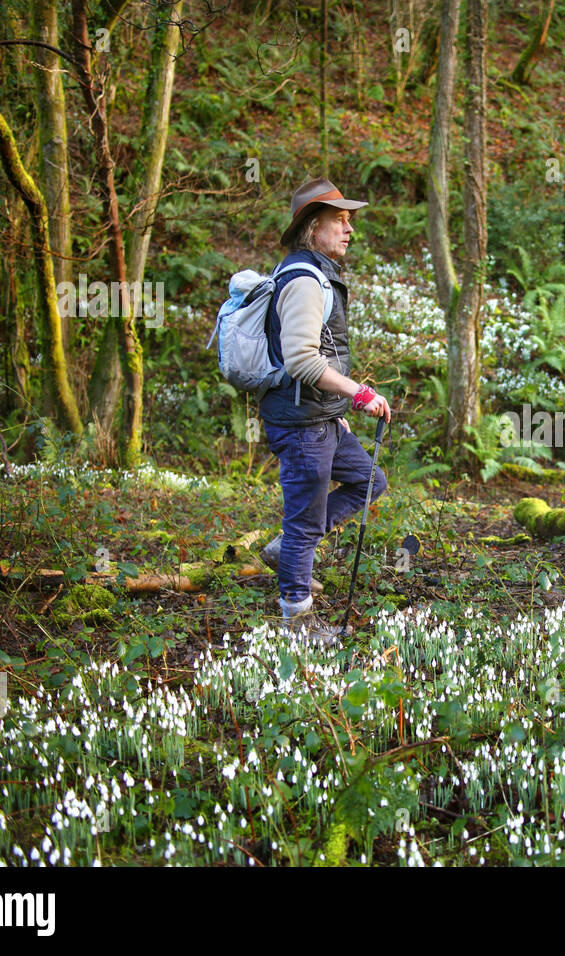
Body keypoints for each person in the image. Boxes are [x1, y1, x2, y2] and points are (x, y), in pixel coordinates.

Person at [257, 177, 392, 641]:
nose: (348, 229)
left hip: (320, 418)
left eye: (349, 221)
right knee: (304, 521)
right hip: (301, 427)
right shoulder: (302, 280)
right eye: (339, 220)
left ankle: (286, 550)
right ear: (312, 227)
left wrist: (335, 406)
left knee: (369, 480)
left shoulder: (316, 274)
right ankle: (298, 622)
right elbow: (301, 358)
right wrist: (358, 395)